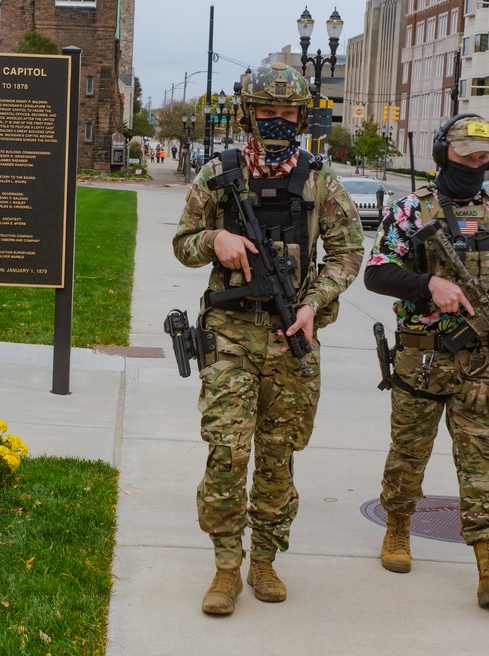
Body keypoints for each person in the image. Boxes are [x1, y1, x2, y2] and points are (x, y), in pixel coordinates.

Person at [172, 61, 363, 616]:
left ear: (302, 117)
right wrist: (216, 239)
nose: (276, 121)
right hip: (230, 335)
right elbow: (183, 243)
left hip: (290, 337)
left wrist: (312, 301)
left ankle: (265, 560)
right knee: (228, 452)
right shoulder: (217, 173)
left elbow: (349, 253)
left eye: (286, 113)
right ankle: (226, 567)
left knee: (278, 458)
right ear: (248, 113)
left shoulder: (318, 179)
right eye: (266, 111)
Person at [364, 113, 489, 608]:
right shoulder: (409, 211)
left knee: (484, 462)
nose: (475, 164)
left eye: (484, 158)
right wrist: (428, 285)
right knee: (408, 455)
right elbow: (377, 274)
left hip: (480, 364)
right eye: (467, 155)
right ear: (445, 152)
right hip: (422, 359)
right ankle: (397, 527)